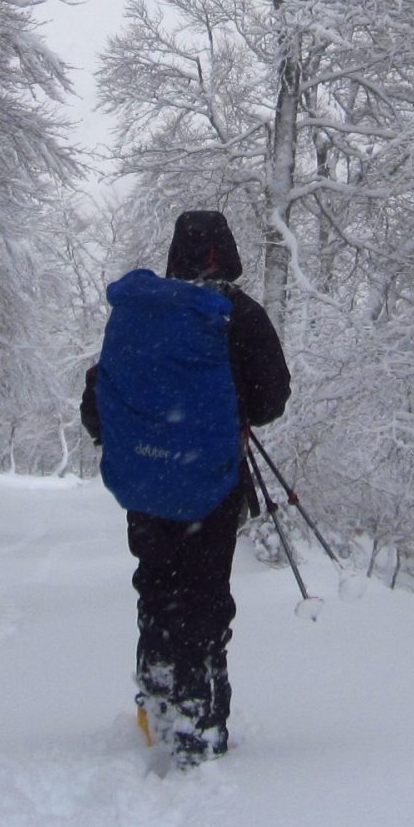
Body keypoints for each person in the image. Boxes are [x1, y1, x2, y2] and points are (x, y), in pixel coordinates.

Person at [81, 209, 290, 767]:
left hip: (147, 484)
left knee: (156, 587)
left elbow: (96, 406)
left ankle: (156, 698)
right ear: (230, 251)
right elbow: (272, 398)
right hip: (212, 480)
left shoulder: (143, 315)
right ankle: (199, 721)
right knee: (205, 597)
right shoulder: (238, 315)